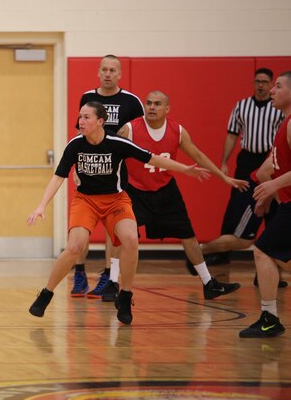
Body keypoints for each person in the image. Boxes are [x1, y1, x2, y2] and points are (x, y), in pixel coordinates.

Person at [27, 101, 209, 325]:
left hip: (115, 200)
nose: (80, 122)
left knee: (131, 240)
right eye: (80, 117)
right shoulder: (75, 145)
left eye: (86, 117)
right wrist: (41, 205)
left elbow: (151, 157)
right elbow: (58, 177)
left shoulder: (117, 142)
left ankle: (125, 295)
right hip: (86, 201)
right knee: (74, 246)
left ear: (100, 121)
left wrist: (185, 170)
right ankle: (46, 293)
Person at [117, 90, 245, 300]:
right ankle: (113, 284)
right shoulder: (130, 129)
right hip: (135, 191)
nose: (151, 107)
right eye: (148, 103)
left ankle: (209, 283)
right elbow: (112, 152)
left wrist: (224, 178)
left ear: (167, 109)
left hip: (166, 190)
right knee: (122, 238)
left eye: (157, 104)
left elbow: (198, 155)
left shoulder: (177, 131)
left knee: (188, 235)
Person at [72, 55, 145, 301]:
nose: (108, 74)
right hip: (88, 164)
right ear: (98, 72)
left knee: (113, 225)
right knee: (80, 223)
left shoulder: (131, 101)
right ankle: (79, 273)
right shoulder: (87, 98)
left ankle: (108, 275)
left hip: (116, 167)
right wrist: (74, 165)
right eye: (104, 69)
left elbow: (141, 132)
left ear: (120, 74)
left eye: (113, 70)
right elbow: (78, 132)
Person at [204, 68, 284, 268]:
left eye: (265, 82)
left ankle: (268, 268)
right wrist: (223, 161)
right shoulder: (242, 106)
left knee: (274, 213)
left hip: (270, 160)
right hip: (247, 162)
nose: (261, 85)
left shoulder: (280, 109)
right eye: (257, 81)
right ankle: (218, 253)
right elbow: (232, 135)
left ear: (271, 84)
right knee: (237, 211)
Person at [239, 70, 291, 338]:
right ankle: (269, 316)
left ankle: (270, 317)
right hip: (287, 204)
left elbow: (272, 175)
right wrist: (267, 193)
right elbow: (268, 168)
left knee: (262, 251)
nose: (272, 90)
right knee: (271, 254)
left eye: (278, 86)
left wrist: (273, 186)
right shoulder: (283, 124)